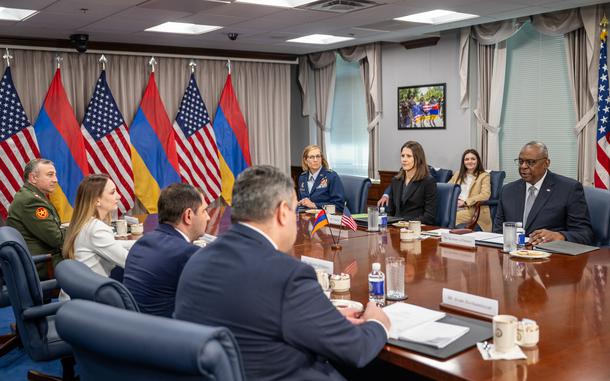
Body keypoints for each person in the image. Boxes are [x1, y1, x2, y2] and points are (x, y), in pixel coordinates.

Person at [175, 165, 390, 381]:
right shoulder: (289, 275)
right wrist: (377, 322)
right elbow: (355, 349)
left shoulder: (196, 260)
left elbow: (258, 314)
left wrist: (325, 314)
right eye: (295, 207)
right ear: (282, 212)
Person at [123, 183, 209, 317]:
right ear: (188, 216)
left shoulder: (142, 242)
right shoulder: (186, 253)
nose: (208, 217)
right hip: (167, 333)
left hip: (136, 329)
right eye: (204, 211)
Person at [493, 141, 593, 245]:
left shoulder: (569, 189)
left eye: (530, 162)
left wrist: (560, 236)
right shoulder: (508, 191)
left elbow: (585, 234)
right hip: (513, 256)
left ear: (546, 163)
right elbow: (498, 232)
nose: (523, 166)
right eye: (521, 161)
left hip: (551, 256)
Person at [62, 174, 131, 277]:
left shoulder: (86, 223)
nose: (119, 196)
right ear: (97, 200)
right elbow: (129, 262)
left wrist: (141, 242)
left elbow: (113, 244)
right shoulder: (96, 230)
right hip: (91, 291)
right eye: (112, 192)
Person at [6, 159, 64, 279]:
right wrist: (81, 230)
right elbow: (56, 239)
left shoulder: (32, 195)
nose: (55, 180)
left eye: (55, 175)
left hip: (43, 258)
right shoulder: (31, 201)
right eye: (50, 175)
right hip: (44, 265)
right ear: (33, 178)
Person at [382, 141, 437, 224]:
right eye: (402, 156)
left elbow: (429, 217)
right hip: (395, 228)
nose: (404, 159)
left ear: (418, 159)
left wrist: (406, 223)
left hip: (416, 229)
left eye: (409, 156)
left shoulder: (428, 182)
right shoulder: (396, 180)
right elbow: (390, 211)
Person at [449, 149, 492, 231]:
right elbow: (448, 188)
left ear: (477, 161)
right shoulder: (458, 174)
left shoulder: (484, 176)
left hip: (472, 209)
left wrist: (465, 202)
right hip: (455, 207)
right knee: (442, 214)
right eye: (467, 159)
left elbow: (485, 195)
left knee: (451, 217)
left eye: (473, 159)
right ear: (463, 162)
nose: (470, 161)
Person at [297, 144, 345, 212]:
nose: (315, 160)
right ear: (305, 160)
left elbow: (339, 207)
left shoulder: (331, 176)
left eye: (318, 156)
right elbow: (302, 201)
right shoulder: (302, 178)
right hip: (307, 217)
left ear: (321, 159)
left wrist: (315, 205)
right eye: (311, 157)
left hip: (326, 219)